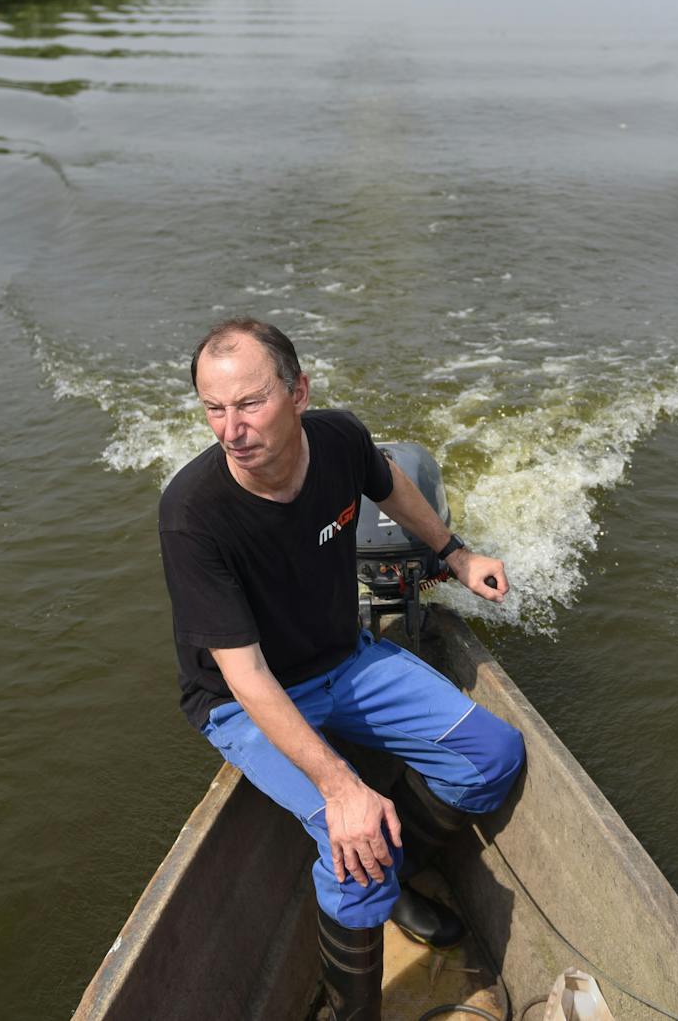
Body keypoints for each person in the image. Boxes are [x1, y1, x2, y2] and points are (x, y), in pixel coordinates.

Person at [160, 317, 524, 1020]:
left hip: (345, 659)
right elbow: (246, 676)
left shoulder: (339, 439)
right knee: (347, 836)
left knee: (493, 756)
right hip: (246, 698)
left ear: (299, 391)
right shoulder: (192, 515)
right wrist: (342, 788)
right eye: (214, 408)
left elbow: (393, 489)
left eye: (250, 401)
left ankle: (398, 872)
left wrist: (457, 555)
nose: (231, 428)